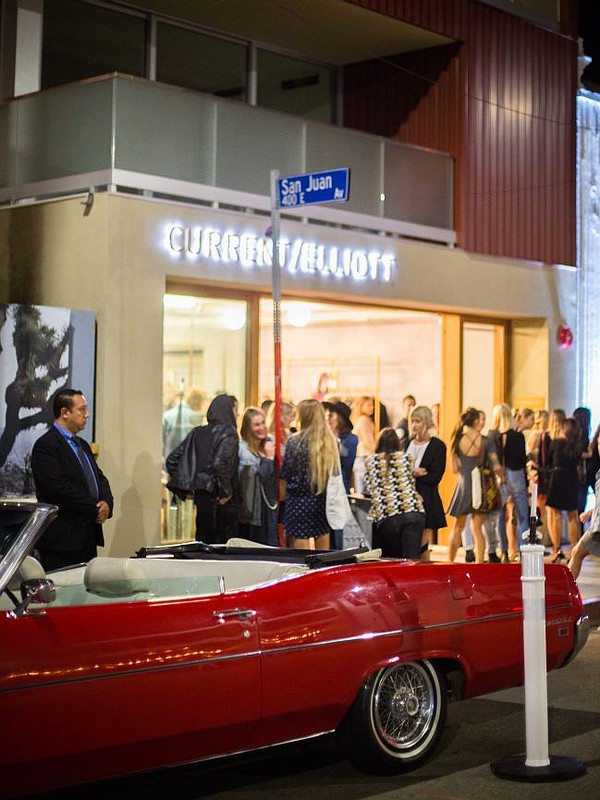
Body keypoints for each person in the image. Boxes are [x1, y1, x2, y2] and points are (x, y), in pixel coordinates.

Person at [30, 388, 114, 570]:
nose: (87, 415)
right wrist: (94, 508)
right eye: (82, 410)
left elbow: (100, 479)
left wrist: (106, 504)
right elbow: (58, 488)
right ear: (65, 413)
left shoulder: (82, 445)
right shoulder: (46, 446)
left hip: (87, 537)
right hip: (62, 542)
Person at [166, 393, 239, 544]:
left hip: (202, 497)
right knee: (222, 546)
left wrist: (189, 486)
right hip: (220, 501)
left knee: (203, 543)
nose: (237, 414)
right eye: (235, 409)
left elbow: (172, 460)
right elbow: (220, 464)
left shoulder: (198, 432)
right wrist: (226, 492)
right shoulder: (229, 433)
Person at [280, 399, 339, 550]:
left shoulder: (295, 441)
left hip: (297, 500)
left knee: (300, 542)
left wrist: (281, 498)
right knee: (322, 536)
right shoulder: (329, 441)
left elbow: (286, 472)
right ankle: (322, 570)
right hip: (322, 499)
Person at [447, 407, 502, 564]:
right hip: (481, 487)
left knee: (458, 526)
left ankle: (449, 562)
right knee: (477, 528)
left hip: (463, 485)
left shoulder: (457, 440)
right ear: (477, 421)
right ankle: (479, 563)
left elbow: (454, 468)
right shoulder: (485, 441)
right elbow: (496, 465)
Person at [364, 428, 425, 559]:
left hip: (388, 515)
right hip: (413, 511)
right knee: (411, 560)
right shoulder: (406, 458)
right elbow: (410, 484)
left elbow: (370, 488)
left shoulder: (370, 461)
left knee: (392, 560)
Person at [488, 403, 530, 562]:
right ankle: (523, 551)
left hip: (499, 476)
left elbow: (491, 458)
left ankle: (503, 551)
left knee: (500, 515)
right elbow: (521, 460)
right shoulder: (518, 436)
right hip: (516, 474)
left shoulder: (492, 435)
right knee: (522, 515)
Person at [406, 405, 446, 560]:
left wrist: (413, 474)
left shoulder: (437, 446)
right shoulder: (406, 443)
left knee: (423, 543)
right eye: (413, 421)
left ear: (427, 423)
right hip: (408, 498)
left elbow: (435, 476)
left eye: (418, 421)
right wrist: (415, 472)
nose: (415, 425)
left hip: (427, 498)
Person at [237, 407, 278, 546]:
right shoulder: (243, 450)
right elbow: (259, 477)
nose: (261, 428)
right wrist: (269, 459)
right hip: (254, 510)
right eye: (256, 424)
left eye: (263, 423)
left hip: (270, 505)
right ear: (248, 428)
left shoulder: (270, 443)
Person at [546, 417, 584, 563]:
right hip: (572, 478)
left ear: (564, 429)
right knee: (572, 515)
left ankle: (557, 549)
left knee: (556, 514)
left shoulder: (556, 443)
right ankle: (575, 548)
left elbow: (549, 460)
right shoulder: (578, 446)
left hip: (557, 477)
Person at [325, 400, 358, 549]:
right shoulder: (326, 437)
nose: (329, 418)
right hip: (326, 487)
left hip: (340, 487)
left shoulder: (351, 439)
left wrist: (334, 439)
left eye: (332, 415)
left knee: (338, 525)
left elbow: (346, 459)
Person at [568, 431, 600, 579]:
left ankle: (566, 592)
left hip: (597, 529)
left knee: (577, 552)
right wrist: (590, 513)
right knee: (577, 552)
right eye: (599, 444)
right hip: (596, 526)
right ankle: (567, 592)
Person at [351, 396, 376, 494]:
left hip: (360, 458)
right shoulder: (364, 421)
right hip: (365, 458)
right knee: (366, 493)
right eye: (369, 405)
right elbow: (368, 441)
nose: (372, 407)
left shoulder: (360, 420)